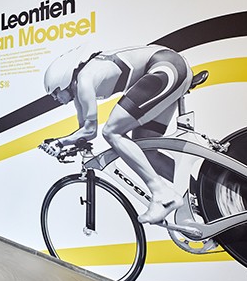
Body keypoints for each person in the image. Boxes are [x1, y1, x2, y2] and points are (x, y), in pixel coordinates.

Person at [40, 44, 193, 224]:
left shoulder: (84, 80)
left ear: (63, 82)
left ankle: (162, 194)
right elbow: (86, 133)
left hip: (166, 67)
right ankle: (203, 193)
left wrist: (59, 142)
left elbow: (91, 130)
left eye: (55, 93)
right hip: (170, 68)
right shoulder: (80, 92)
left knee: (112, 132)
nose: (55, 99)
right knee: (145, 151)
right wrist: (63, 144)